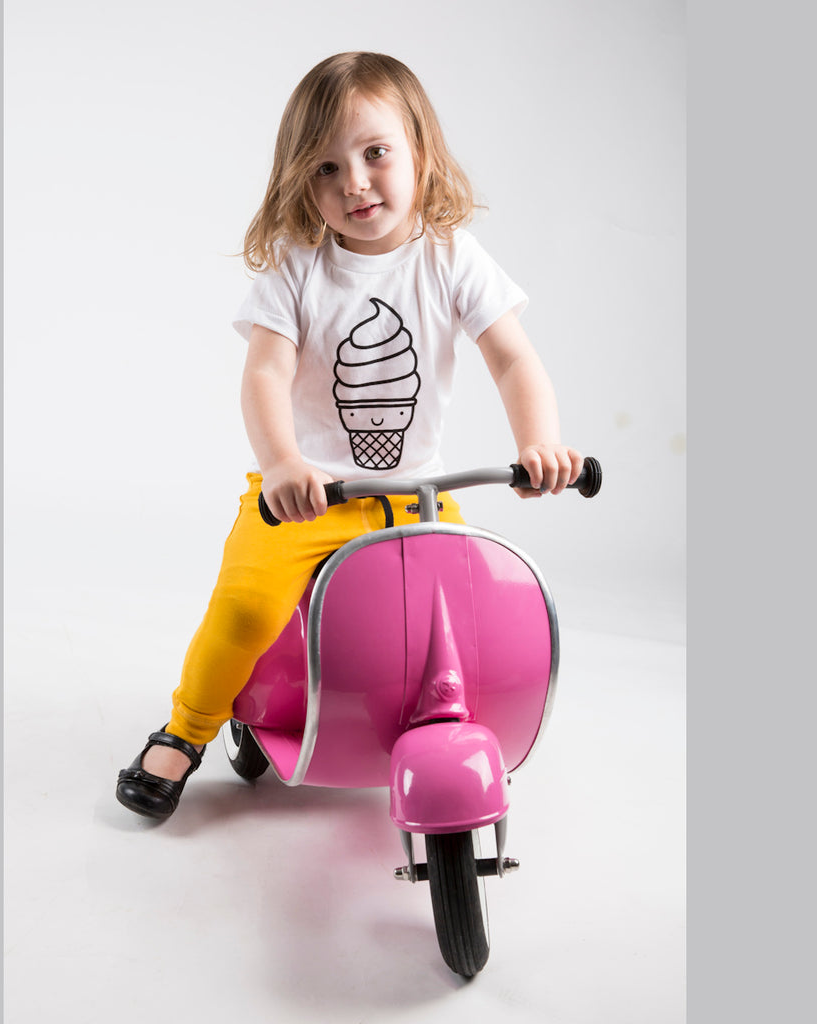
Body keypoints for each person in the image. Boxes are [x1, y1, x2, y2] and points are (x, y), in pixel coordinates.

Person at [116, 51, 583, 820]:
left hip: (416, 495)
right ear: (303, 182)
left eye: (376, 154)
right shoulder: (299, 271)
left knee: (465, 613)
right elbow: (265, 375)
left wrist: (542, 443)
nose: (356, 183)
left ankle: (440, 722)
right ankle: (187, 728)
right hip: (307, 494)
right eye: (327, 168)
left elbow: (512, 358)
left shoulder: (450, 257)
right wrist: (282, 464)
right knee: (246, 606)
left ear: (421, 154)